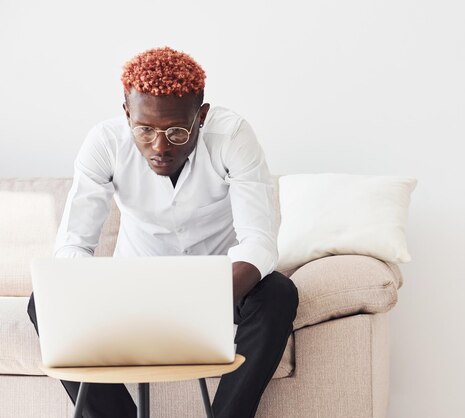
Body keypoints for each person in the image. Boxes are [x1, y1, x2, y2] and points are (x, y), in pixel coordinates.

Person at [26, 46, 299, 418]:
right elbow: (73, 244)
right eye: (144, 129)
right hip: (132, 288)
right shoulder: (104, 143)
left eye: (176, 131)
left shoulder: (232, 136)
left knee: (279, 293)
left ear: (200, 117)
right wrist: (81, 294)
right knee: (42, 300)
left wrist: (200, 301)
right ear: (127, 114)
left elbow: (259, 242)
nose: (159, 147)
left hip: (219, 288)